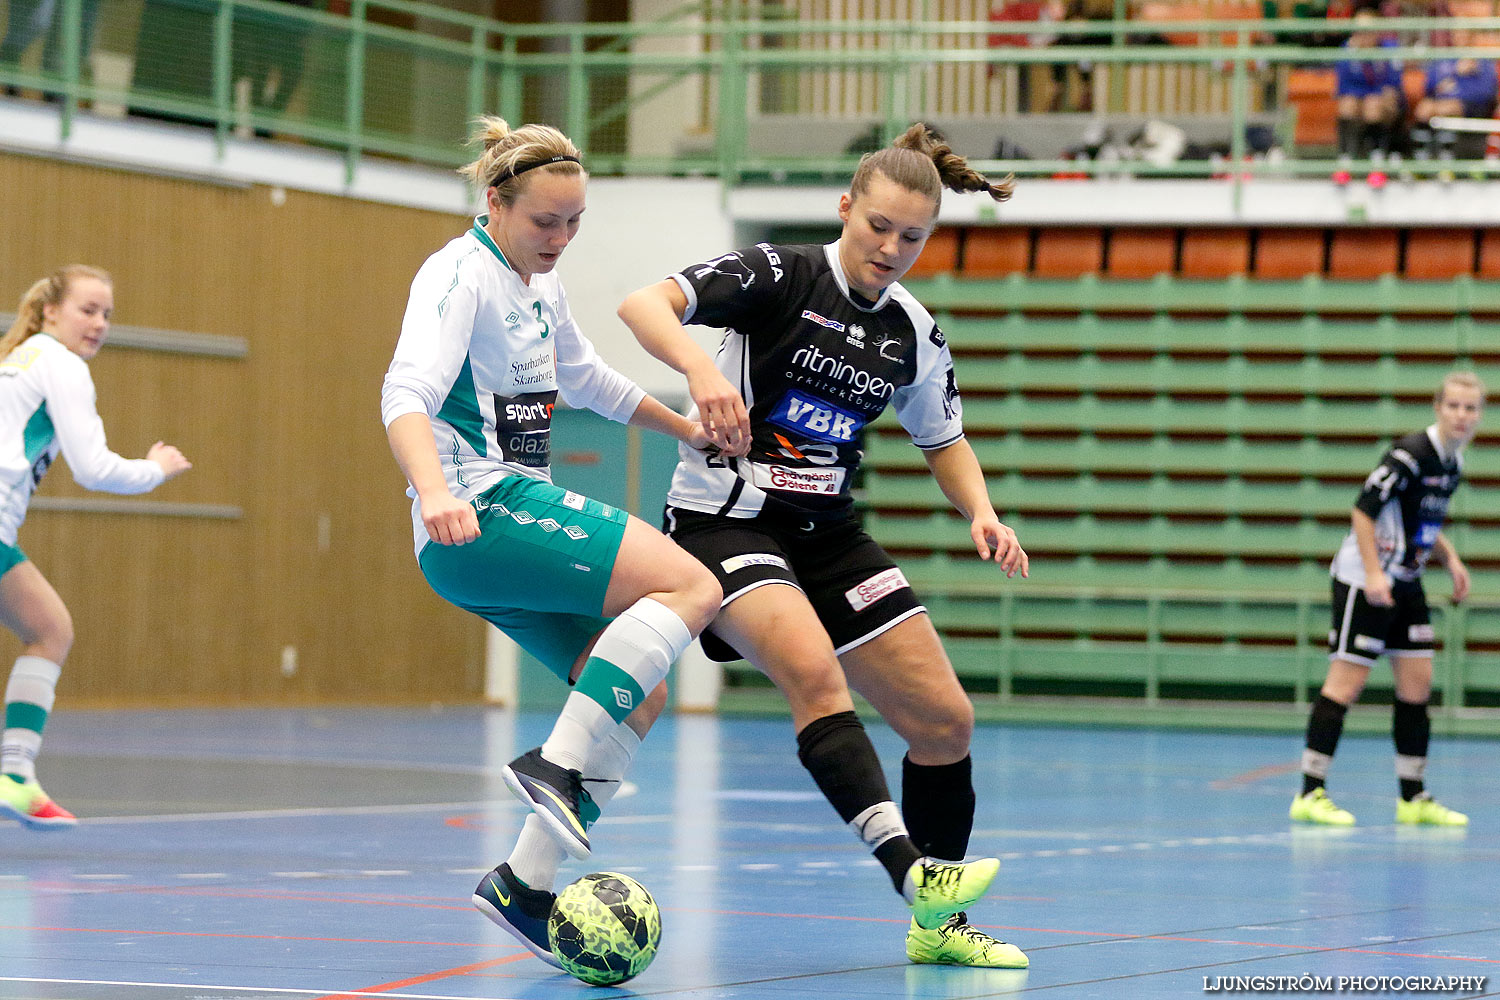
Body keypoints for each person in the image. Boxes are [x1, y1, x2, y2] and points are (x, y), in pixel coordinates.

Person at [617, 123, 1030, 970]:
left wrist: (982, 513)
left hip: (828, 534)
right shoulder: (778, 273)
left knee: (946, 723)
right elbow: (641, 304)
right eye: (878, 225)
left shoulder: (912, 331)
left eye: (912, 236)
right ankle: (915, 877)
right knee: (814, 673)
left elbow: (943, 439)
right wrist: (699, 371)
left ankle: (936, 931)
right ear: (846, 207)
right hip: (723, 522)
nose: (891, 247)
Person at [380, 117, 730, 968]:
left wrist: (681, 423)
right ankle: (554, 768)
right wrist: (433, 492)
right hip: (478, 511)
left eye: (575, 223)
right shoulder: (457, 274)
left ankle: (521, 886)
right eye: (546, 222)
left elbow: (587, 379)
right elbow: (404, 392)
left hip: (498, 526)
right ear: (495, 202)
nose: (562, 239)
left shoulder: (539, 283)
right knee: (692, 588)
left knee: (636, 698)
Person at [0, 265, 191, 828]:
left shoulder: (23, 358)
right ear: (52, 310)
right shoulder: (59, 364)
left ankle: (14, 771)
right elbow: (93, 467)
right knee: (50, 630)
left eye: (107, 313)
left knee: (50, 629)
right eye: (88, 309)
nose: (100, 323)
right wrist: (153, 470)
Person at [1290, 371, 1484, 828]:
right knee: (1347, 683)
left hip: (1407, 578)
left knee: (1417, 682)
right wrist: (1375, 576)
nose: (1461, 415)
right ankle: (1310, 791)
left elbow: (1422, 524)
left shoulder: (1452, 464)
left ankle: (1412, 796)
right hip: (1365, 579)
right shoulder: (1409, 455)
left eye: (1470, 408)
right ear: (1438, 407)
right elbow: (1363, 511)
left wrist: (1450, 559)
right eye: (1453, 405)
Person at [1333, 10, 1403, 175]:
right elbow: (1343, 87)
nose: (1364, 35)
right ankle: (1345, 157)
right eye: (1359, 31)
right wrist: (1355, 56)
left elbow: (1393, 84)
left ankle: (1377, 157)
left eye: (1368, 31)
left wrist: (1375, 95)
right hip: (1359, 99)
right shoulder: (1347, 50)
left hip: (1384, 104)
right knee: (1348, 104)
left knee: (1373, 104)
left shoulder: (1390, 49)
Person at [1411, 39, 1500, 163]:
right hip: (1440, 102)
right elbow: (1429, 86)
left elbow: (1486, 92)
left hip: (1471, 106)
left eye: (1464, 32)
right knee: (1424, 107)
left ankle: (1446, 156)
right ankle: (1421, 156)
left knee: (1451, 107)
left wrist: (1456, 92)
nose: (1460, 36)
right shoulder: (1445, 58)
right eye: (1457, 32)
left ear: (1471, 36)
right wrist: (1455, 72)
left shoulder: (1482, 61)